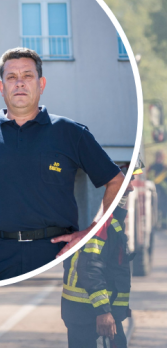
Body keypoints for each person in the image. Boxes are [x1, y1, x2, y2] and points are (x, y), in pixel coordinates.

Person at [0, 47, 124, 280]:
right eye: (11, 77)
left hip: (55, 256)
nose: (19, 83)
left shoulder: (70, 133)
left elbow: (116, 181)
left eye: (27, 76)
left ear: (41, 84)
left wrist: (91, 231)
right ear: (1, 86)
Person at [56, 159, 143, 348]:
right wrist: (105, 312)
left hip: (78, 314)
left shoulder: (99, 217)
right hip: (96, 319)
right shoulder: (105, 221)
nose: (133, 188)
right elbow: (92, 267)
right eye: (130, 181)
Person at [147, 151, 167, 229]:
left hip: (165, 193)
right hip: (153, 192)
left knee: (165, 209)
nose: (159, 159)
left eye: (161, 157)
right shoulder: (151, 168)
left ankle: (164, 225)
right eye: (158, 157)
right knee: (154, 209)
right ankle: (155, 224)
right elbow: (148, 178)